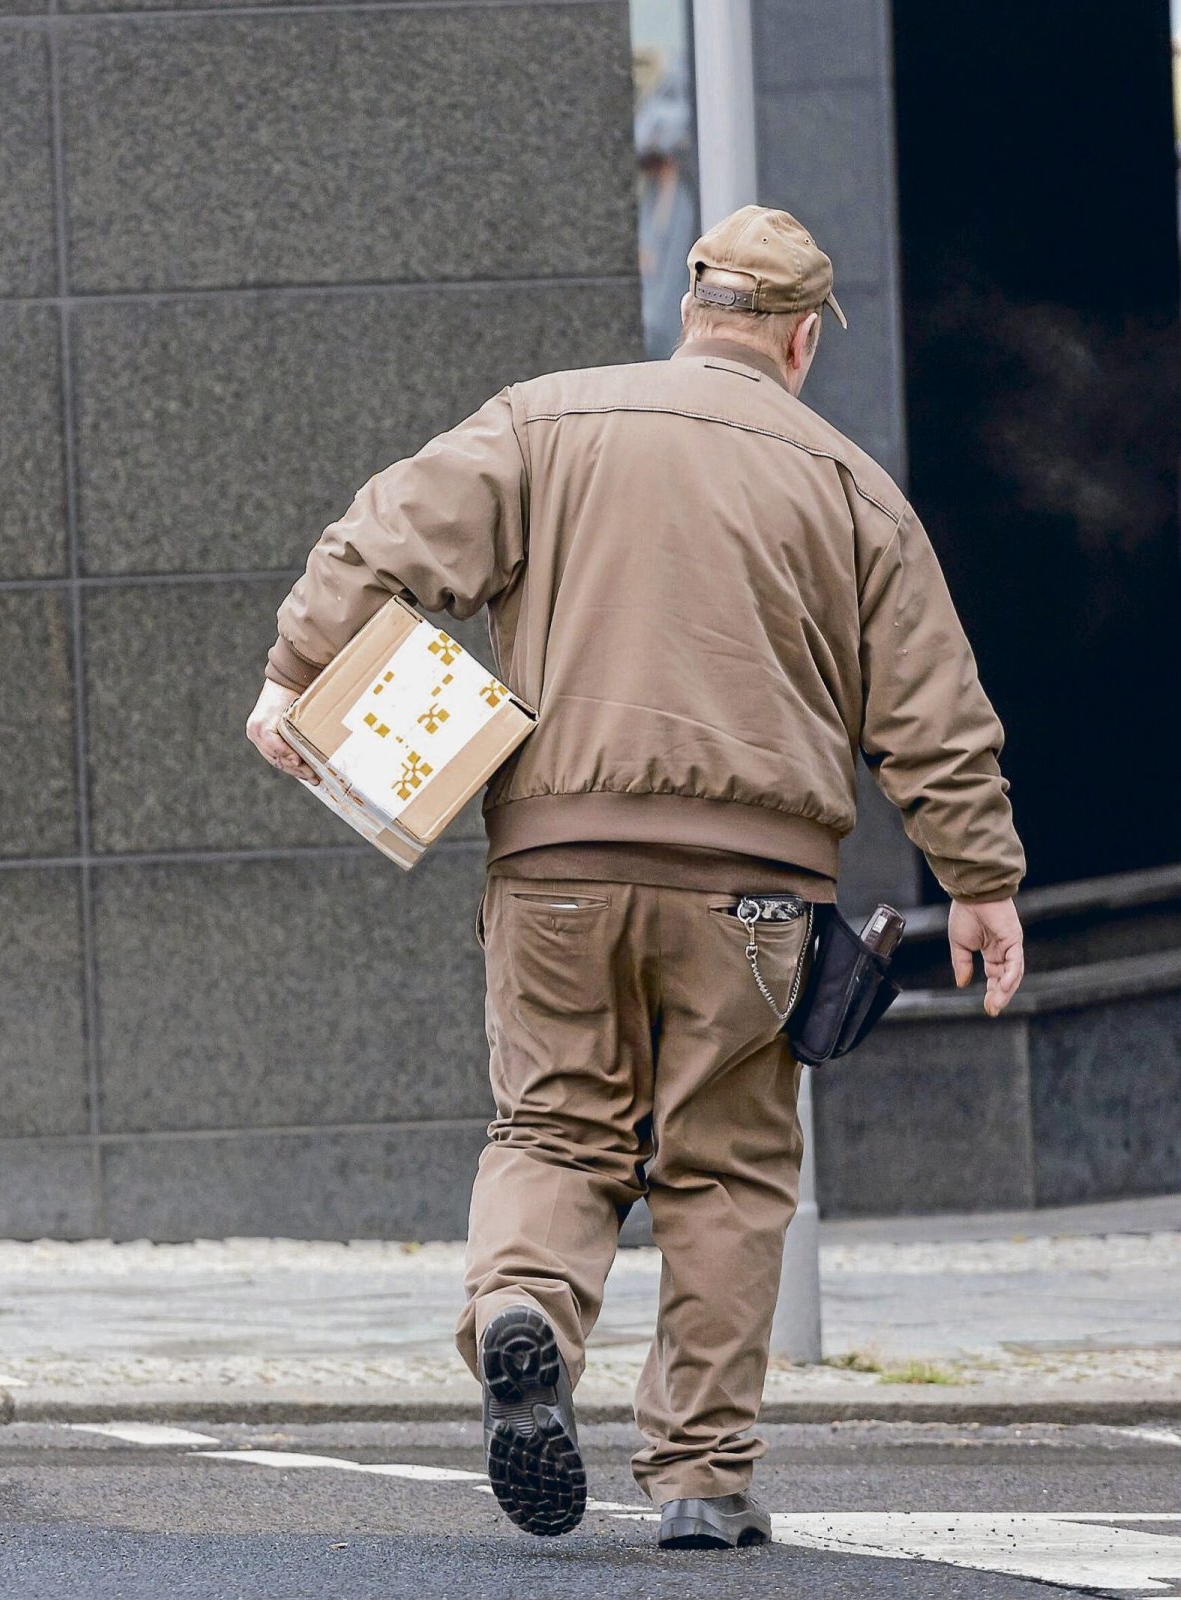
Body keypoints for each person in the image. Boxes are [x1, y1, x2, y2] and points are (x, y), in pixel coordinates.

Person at [244, 206, 1028, 1548]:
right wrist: (982, 882)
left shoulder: (546, 422)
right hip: (759, 890)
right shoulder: (853, 487)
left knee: (554, 1129)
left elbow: (378, 539)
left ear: (691, 310)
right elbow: (933, 714)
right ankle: (703, 1482)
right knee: (727, 1170)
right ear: (802, 340)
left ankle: (525, 1313)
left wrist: (295, 671)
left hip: (558, 860)